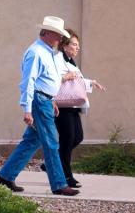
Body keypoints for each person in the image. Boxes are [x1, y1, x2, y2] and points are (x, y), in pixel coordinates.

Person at [0, 16, 80, 196]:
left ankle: (6, 176)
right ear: (47, 33)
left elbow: (47, 81)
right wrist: (27, 110)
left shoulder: (48, 51)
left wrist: (52, 100)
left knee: (32, 141)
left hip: (45, 101)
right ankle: (58, 184)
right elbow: (28, 82)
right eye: (57, 35)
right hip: (39, 102)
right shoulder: (35, 52)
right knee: (51, 142)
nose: (60, 39)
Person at [50, 28, 105, 189]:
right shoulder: (57, 58)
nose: (77, 48)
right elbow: (52, 79)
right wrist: (66, 77)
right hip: (62, 106)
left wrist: (91, 82)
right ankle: (66, 176)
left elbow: (77, 80)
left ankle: (52, 163)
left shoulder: (70, 61)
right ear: (65, 45)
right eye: (74, 44)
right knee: (67, 141)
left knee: (77, 137)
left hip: (73, 105)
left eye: (77, 45)